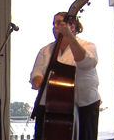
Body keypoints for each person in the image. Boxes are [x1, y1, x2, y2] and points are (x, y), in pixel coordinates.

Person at [30, 12, 101, 140]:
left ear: (72, 26)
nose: (55, 27)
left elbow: (85, 63)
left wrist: (68, 35)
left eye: (58, 23)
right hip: (52, 105)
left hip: (84, 104)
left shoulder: (88, 45)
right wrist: (37, 79)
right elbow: (36, 72)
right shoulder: (46, 50)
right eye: (53, 24)